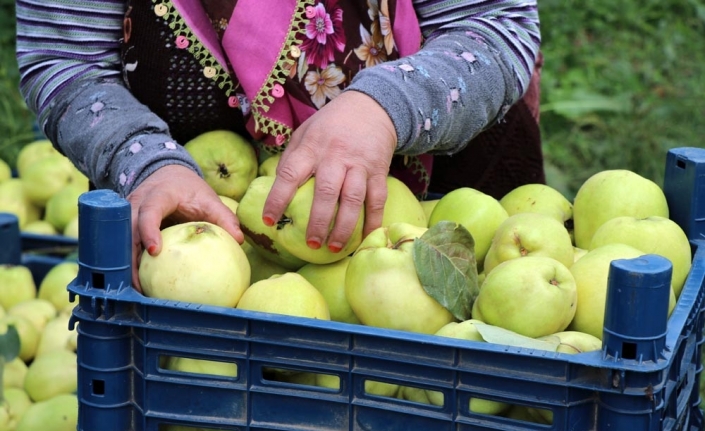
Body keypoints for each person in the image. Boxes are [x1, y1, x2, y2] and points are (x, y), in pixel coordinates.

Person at [16, 0, 542, 288]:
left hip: (453, 206)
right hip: (179, 232)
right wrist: (144, 161)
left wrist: (382, 107)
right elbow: (68, 62)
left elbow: (496, 25)